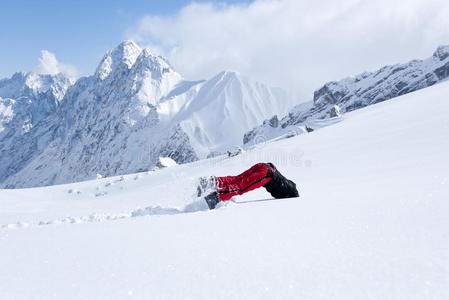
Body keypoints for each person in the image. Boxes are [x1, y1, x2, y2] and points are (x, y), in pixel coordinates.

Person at [197, 163, 299, 209]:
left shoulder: (289, 186)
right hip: (266, 174)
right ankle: (215, 197)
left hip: (263, 166)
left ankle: (211, 182)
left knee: (237, 179)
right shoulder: (293, 194)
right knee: (241, 187)